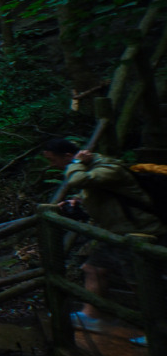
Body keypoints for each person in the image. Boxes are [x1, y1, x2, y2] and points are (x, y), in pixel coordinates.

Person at [42, 136, 163, 339]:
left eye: (53, 160)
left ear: (69, 156)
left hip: (140, 233)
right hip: (117, 233)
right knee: (93, 269)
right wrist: (77, 203)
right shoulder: (92, 167)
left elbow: (77, 180)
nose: (52, 165)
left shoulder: (108, 167)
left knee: (141, 283)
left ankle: (157, 332)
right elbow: (99, 195)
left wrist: (76, 164)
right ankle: (92, 317)